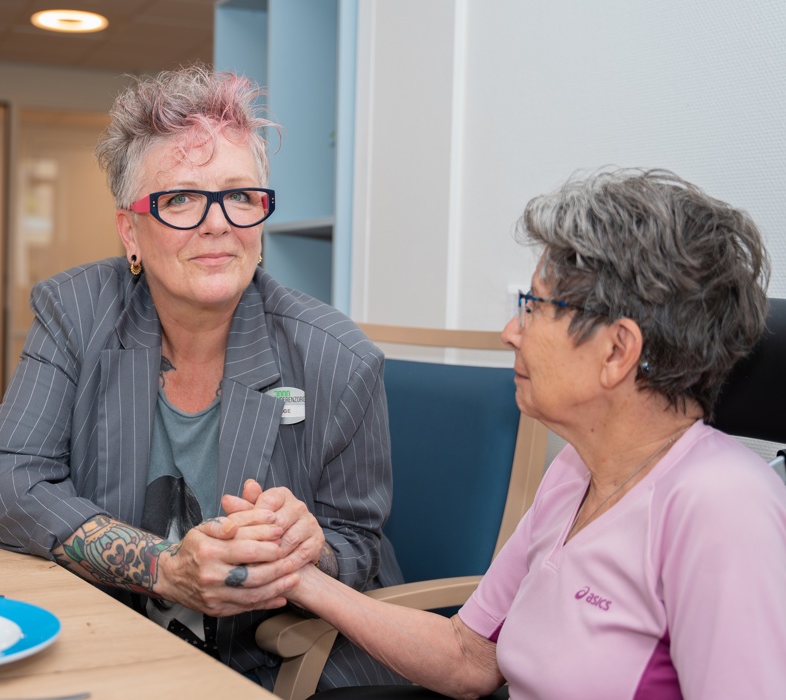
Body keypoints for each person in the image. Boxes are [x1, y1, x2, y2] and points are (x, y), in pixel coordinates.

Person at [247, 169, 786, 699]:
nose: (510, 333)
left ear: (618, 351)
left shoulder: (723, 505)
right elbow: (469, 656)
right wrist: (298, 576)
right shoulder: (576, 471)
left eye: (533, 308)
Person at [0, 65, 406, 691]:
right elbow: (11, 484)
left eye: (239, 195)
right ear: (130, 232)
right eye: (179, 198)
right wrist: (163, 567)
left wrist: (312, 548)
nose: (217, 222)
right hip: (115, 644)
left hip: (278, 662)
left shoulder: (338, 357)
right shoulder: (74, 314)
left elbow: (361, 543)